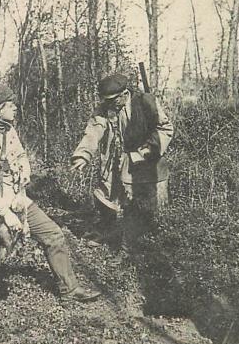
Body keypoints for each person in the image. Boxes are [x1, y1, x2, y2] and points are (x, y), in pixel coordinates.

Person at [0, 84, 101, 333]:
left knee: (53, 234)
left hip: (17, 197)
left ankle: (70, 289)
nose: (15, 108)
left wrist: (25, 170)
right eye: (10, 105)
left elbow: (20, 154)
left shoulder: (8, 129)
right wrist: (6, 214)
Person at [70, 73, 174, 251]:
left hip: (146, 159)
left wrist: (148, 150)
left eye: (112, 100)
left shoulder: (144, 102)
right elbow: (94, 130)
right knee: (105, 194)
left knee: (146, 206)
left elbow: (165, 128)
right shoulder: (105, 108)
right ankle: (108, 231)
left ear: (124, 94)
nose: (109, 105)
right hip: (118, 159)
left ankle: (144, 244)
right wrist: (83, 155)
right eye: (106, 101)